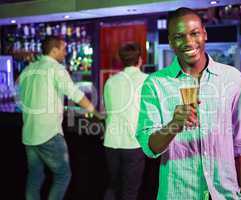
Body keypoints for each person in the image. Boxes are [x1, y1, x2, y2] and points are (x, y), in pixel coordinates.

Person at [136, 7, 241, 200]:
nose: (189, 42)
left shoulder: (232, 78)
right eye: (179, 36)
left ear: (204, 34)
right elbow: (150, 148)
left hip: (226, 195)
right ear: (171, 42)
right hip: (179, 194)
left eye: (194, 33)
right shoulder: (155, 84)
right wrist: (174, 125)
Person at [18, 36, 101, 200]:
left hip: (29, 132)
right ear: (54, 50)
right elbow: (75, 94)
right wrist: (95, 112)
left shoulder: (30, 68)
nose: (65, 52)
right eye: (63, 49)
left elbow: (18, 87)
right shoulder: (56, 69)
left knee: (35, 175)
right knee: (63, 175)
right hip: (48, 132)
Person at [103, 42, 148, 200]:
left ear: (122, 61)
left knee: (112, 186)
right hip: (133, 143)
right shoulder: (147, 80)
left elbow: (108, 110)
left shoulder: (110, 81)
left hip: (111, 142)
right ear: (140, 60)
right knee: (130, 191)